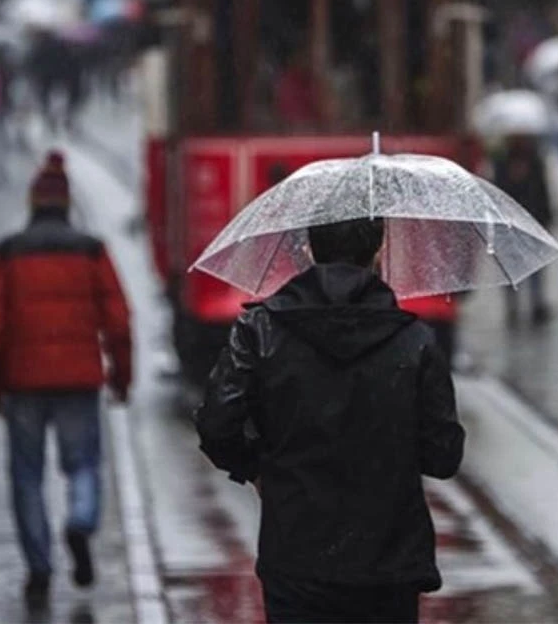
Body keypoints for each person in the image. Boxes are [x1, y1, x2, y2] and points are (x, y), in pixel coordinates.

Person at [196, 217, 465, 624]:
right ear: (378, 253)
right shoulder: (415, 341)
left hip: (296, 559)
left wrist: (257, 469)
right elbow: (444, 456)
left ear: (308, 250)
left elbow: (218, 424)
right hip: (388, 564)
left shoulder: (260, 330)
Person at [0, 152, 132, 609]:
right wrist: (121, 377)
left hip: (22, 384)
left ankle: (39, 565)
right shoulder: (91, 250)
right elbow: (119, 322)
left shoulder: (6, 254)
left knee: (26, 475)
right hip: (79, 378)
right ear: (66, 203)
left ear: (31, 203)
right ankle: (81, 521)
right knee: (83, 462)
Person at [493, 137, 554, 325]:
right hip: (509, 223)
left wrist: (546, 217)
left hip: (532, 221)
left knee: (535, 268)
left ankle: (537, 305)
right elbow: (498, 192)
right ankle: (513, 308)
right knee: (511, 268)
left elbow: (542, 191)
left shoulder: (535, 161)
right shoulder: (502, 163)